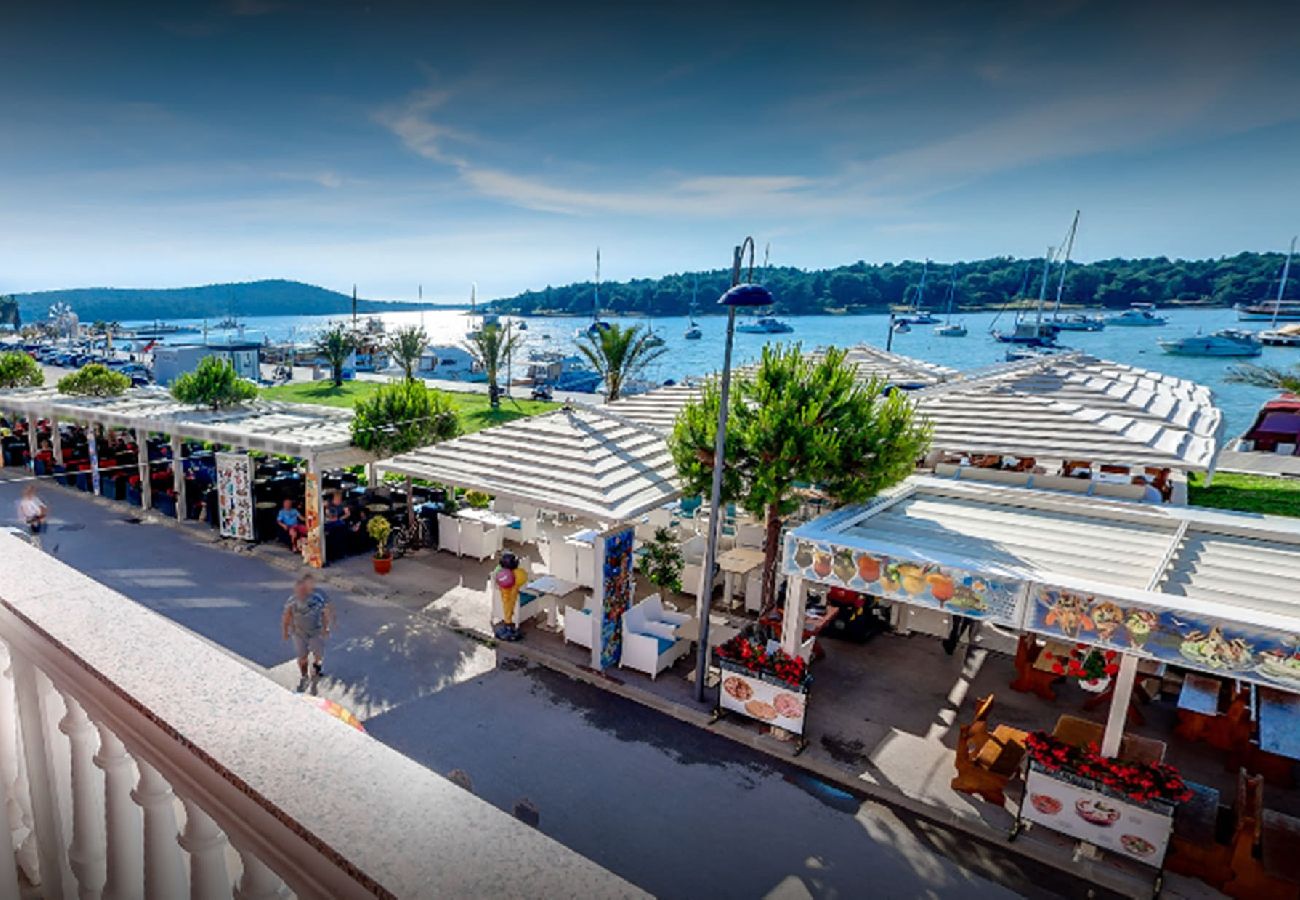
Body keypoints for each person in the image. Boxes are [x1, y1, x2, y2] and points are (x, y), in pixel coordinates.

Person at [281, 574, 334, 691]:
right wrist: (285, 631)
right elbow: (286, 617)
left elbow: (325, 613)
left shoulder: (317, 599)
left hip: (316, 632)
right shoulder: (292, 602)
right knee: (302, 657)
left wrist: (326, 628)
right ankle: (304, 675)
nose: (301, 592)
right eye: (298, 590)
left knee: (319, 654)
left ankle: (316, 667)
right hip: (299, 634)